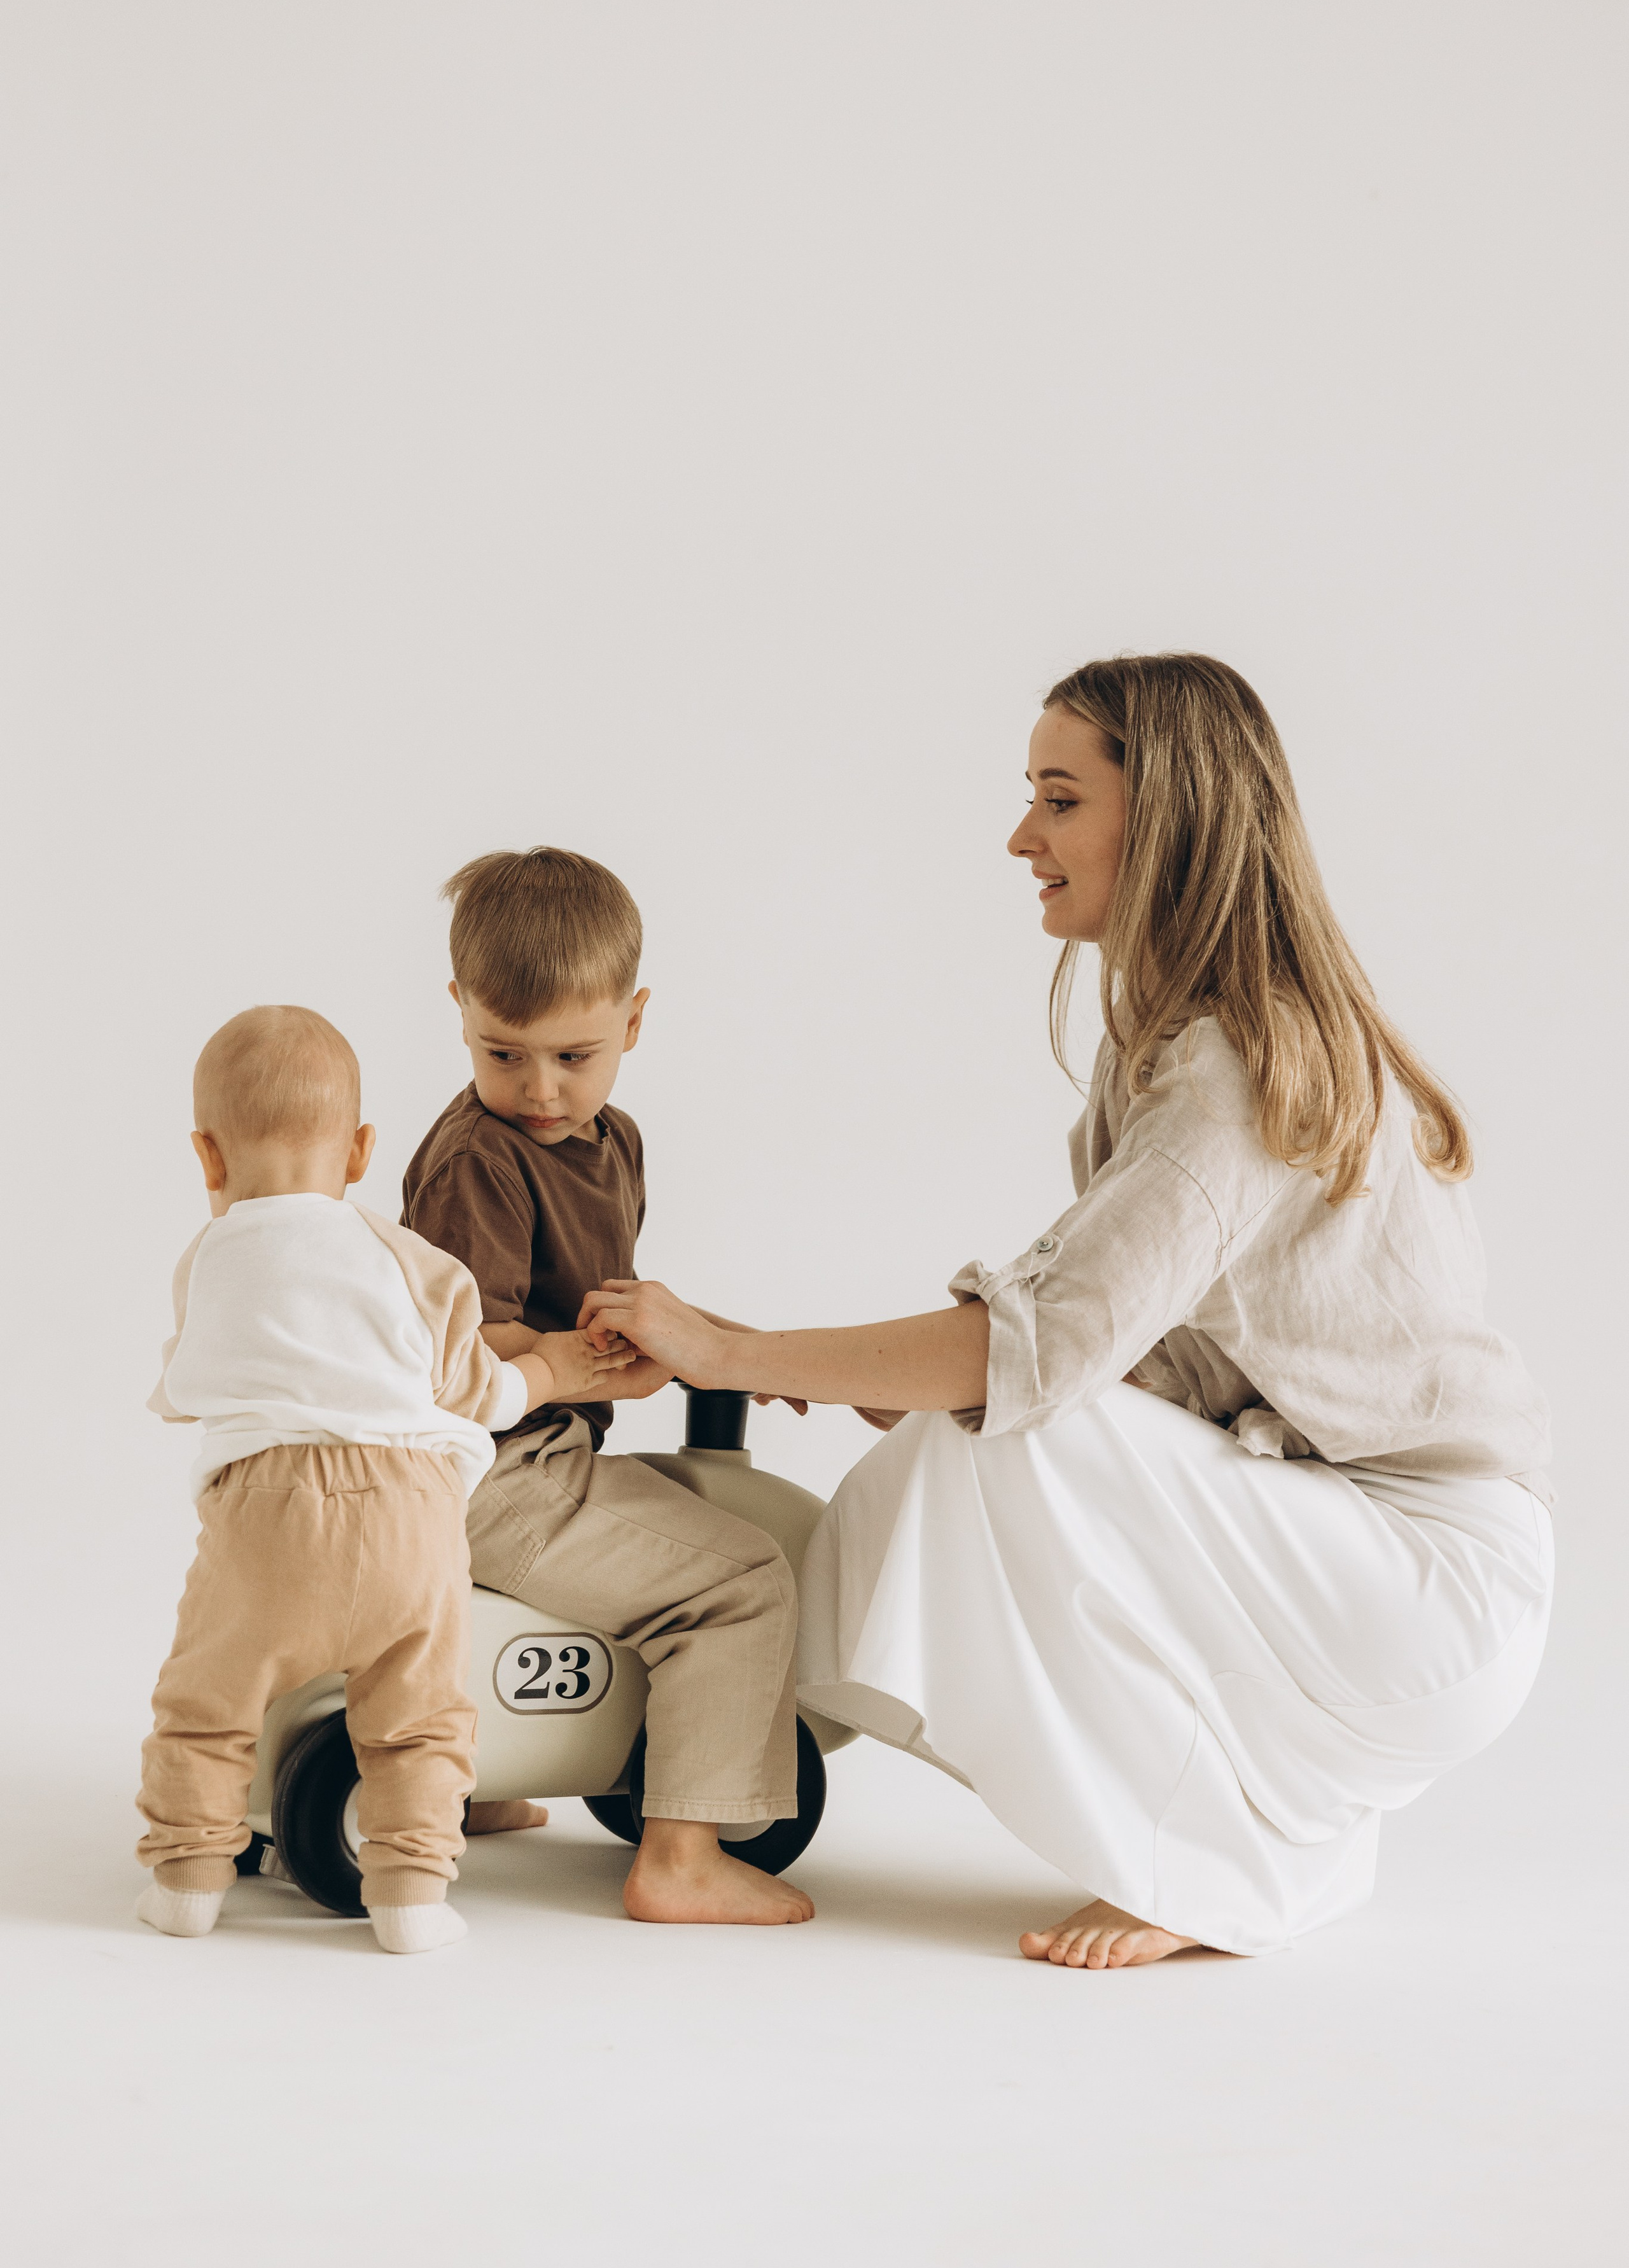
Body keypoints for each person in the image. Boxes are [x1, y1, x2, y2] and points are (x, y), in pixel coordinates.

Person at [579, 654, 1555, 1968]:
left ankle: (1203, 1870)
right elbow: (1097, 1343)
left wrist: (735, 1353)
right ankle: (1257, 1847)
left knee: (999, 1440)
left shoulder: (1234, 1069)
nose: (1019, 837)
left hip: (1419, 1585)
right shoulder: (1183, 1043)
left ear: (1165, 821)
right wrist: (938, 1374)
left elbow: (1028, 1353)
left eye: (1057, 799)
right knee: (974, 1436)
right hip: (1369, 1566)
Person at [137, 1005, 615, 1954]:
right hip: (412, 1516)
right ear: (360, 1152)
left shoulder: (207, 1262)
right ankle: (408, 1901)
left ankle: (186, 1884)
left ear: (207, 1157)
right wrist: (563, 1369)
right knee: (421, 1717)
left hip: (262, 1523)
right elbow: (481, 1388)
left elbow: (186, 1389)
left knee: (207, 1707)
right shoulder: (410, 1261)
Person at [400, 846, 813, 1928]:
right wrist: (599, 1368)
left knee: (680, 1521)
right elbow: (461, 1353)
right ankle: (679, 1859)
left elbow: (619, 1306)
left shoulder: (612, 1140)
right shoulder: (479, 1160)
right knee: (741, 1580)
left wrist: (744, 1352)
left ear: (634, 1021)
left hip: (542, 1455)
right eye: (504, 1052)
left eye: (573, 1055)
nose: (539, 1089)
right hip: (489, 1469)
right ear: (458, 1013)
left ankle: (488, 1780)